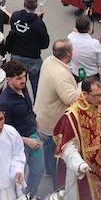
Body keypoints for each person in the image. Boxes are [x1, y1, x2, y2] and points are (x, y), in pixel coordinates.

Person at [34, 40, 81, 189]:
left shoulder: (49, 61)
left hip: (42, 115)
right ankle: (57, 186)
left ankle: (48, 171)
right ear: (68, 55)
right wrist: (81, 87)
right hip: (53, 122)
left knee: (47, 148)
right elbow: (70, 98)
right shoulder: (60, 75)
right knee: (55, 155)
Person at [0, 61, 44, 197]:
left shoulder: (23, 88)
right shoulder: (5, 101)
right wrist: (27, 141)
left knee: (39, 169)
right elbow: (6, 130)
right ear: (9, 79)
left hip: (33, 136)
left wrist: (36, 125)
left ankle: (30, 195)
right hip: (19, 144)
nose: (23, 81)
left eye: (24, 76)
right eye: (19, 78)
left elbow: (29, 110)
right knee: (18, 175)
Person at [5, 0, 50, 94]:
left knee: (17, 84)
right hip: (33, 58)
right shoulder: (38, 23)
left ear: (24, 4)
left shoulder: (15, 16)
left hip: (17, 56)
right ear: (36, 6)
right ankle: (37, 107)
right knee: (36, 85)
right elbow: (45, 44)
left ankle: (21, 105)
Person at [67, 14, 101, 79]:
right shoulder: (95, 44)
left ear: (76, 27)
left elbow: (73, 33)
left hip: (76, 75)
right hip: (92, 77)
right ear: (89, 27)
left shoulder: (70, 38)